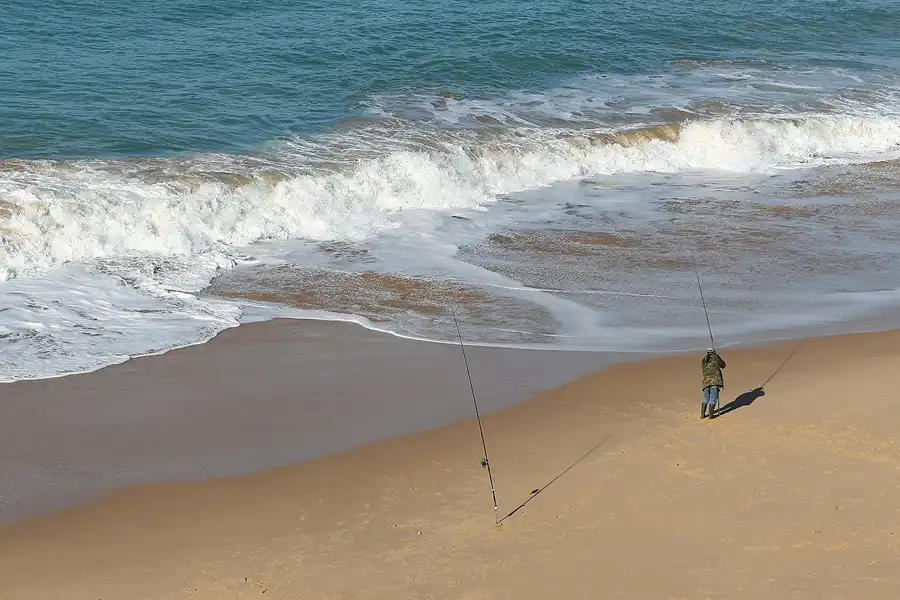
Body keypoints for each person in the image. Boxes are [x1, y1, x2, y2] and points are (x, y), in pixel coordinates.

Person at [701, 348, 726, 419]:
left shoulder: (704, 360)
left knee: (706, 398)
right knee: (713, 398)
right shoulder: (716, 357)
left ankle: (702, 415)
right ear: (713, 352)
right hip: (714, 381)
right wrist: (716, 355)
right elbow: (723, 365)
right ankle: (711, 416)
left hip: (705, 382)